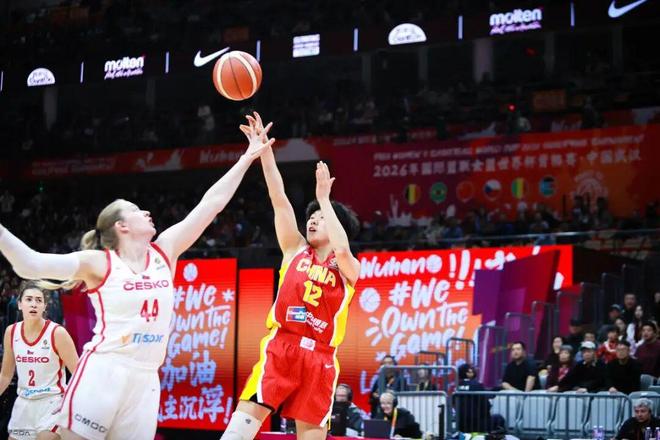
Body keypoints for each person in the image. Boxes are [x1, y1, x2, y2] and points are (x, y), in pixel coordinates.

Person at [0, 115, 274, 440]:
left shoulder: (165, 251)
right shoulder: (99, 263)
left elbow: (211, 204)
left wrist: (247, 157)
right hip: (105, 370)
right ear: (121, 226)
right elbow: (29, 264)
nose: (146, 212)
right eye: (136, 209)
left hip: (146, 379)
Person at [224, 113, 361, 440]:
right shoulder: (294, 249)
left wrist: (325, 199)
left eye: (321, 218)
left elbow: (342, 250)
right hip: (281, 347)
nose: (312, 221)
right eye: (311, 216)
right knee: (237, 432)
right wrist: (264, 152)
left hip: (321, 358)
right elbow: (279, 198)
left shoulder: (349, 268)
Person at [0, 281, 78, 440]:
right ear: (19, 304)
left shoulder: (57, 333)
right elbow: (6, 376)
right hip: (24, 403)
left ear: (44, 306)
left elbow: (79, 374)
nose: (34, 304)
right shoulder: (11, 332)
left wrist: (70, 402)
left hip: (52, 402)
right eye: (29, 299)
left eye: (38, 300)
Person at [456, 364, 490, 433]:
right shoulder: (477, 385)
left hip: (461, 425)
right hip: (477, 423)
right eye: (471, 371)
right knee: (499, 419)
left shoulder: (457, 386)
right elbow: (486, 405)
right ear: (467, 373)